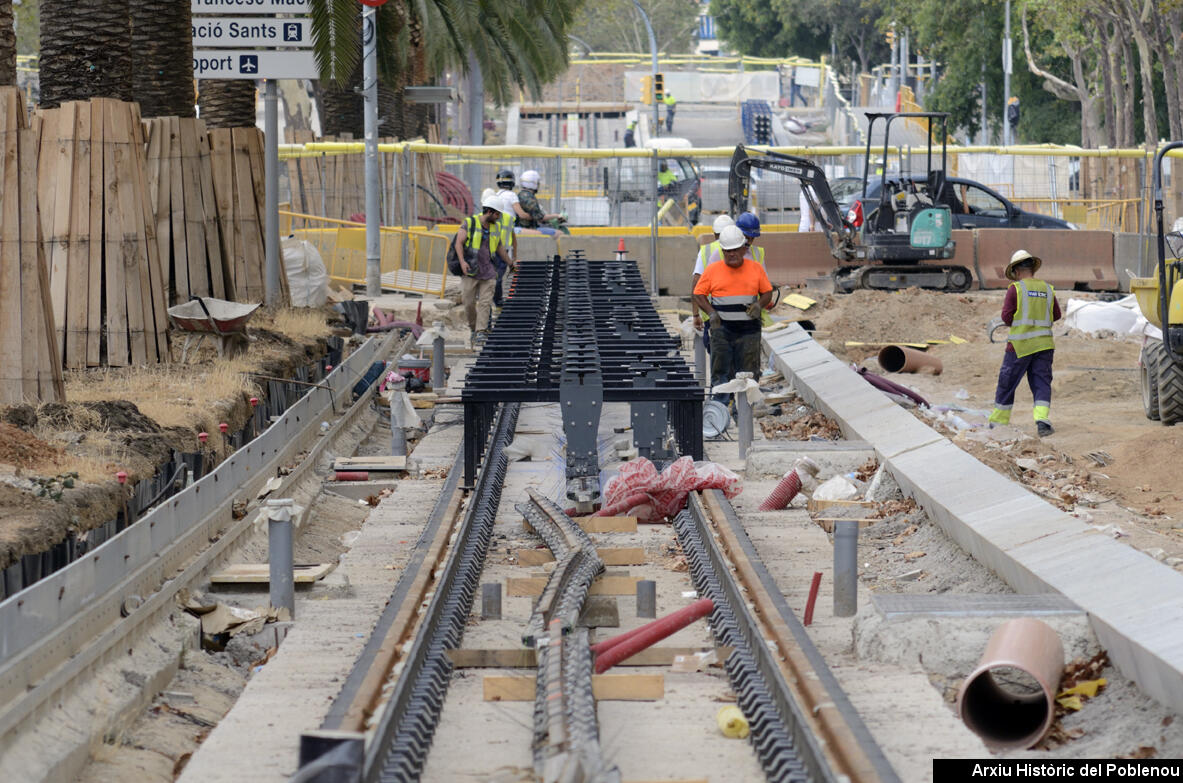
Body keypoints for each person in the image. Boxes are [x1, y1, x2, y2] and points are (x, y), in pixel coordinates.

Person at [693, 225, 773, 403]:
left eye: (735, 250)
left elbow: (767, 292)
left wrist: (759, 305)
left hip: (749, 331)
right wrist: (710, 312)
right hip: (722, 330)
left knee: (749, 372)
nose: (731, 254)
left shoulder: (755, 269)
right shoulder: (714, 270)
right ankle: (720, 409)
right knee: (720, 370)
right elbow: (698, 293)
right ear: (722, 250)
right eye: (727, 251)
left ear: (744, 249)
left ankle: (744, 409)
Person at [988, 249, 1062, 436]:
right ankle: (1042, 422)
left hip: (1019, 346)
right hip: (1044, 346)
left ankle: (998, 423)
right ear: (1032, 269)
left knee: (1007, 383)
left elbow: (1006, 317)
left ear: (1016, 271)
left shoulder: (1016, 289)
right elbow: (1057, 315)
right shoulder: (1047, 288)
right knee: (1041, 383)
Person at [455, 195, 513, 344]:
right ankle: (474, 329)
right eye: (497, 214)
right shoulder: (470, 223)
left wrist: (510, 263)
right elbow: (458, 243)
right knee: (468, 303)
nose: (499, 217)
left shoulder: (495, 227)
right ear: (490, 212)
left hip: (488, 271)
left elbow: (499, 247)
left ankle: (481, 331)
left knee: (485, 302)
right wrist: (462, 262)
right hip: (471, 270)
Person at [482, 187, 516, 307]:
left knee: (496, 279)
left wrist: (512, 259)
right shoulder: (479, 220)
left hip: (500, 253)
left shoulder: (505, 218)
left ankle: (497, 302)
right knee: (491, 280)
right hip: (488, 253)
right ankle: (493, 301)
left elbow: (508, 240)